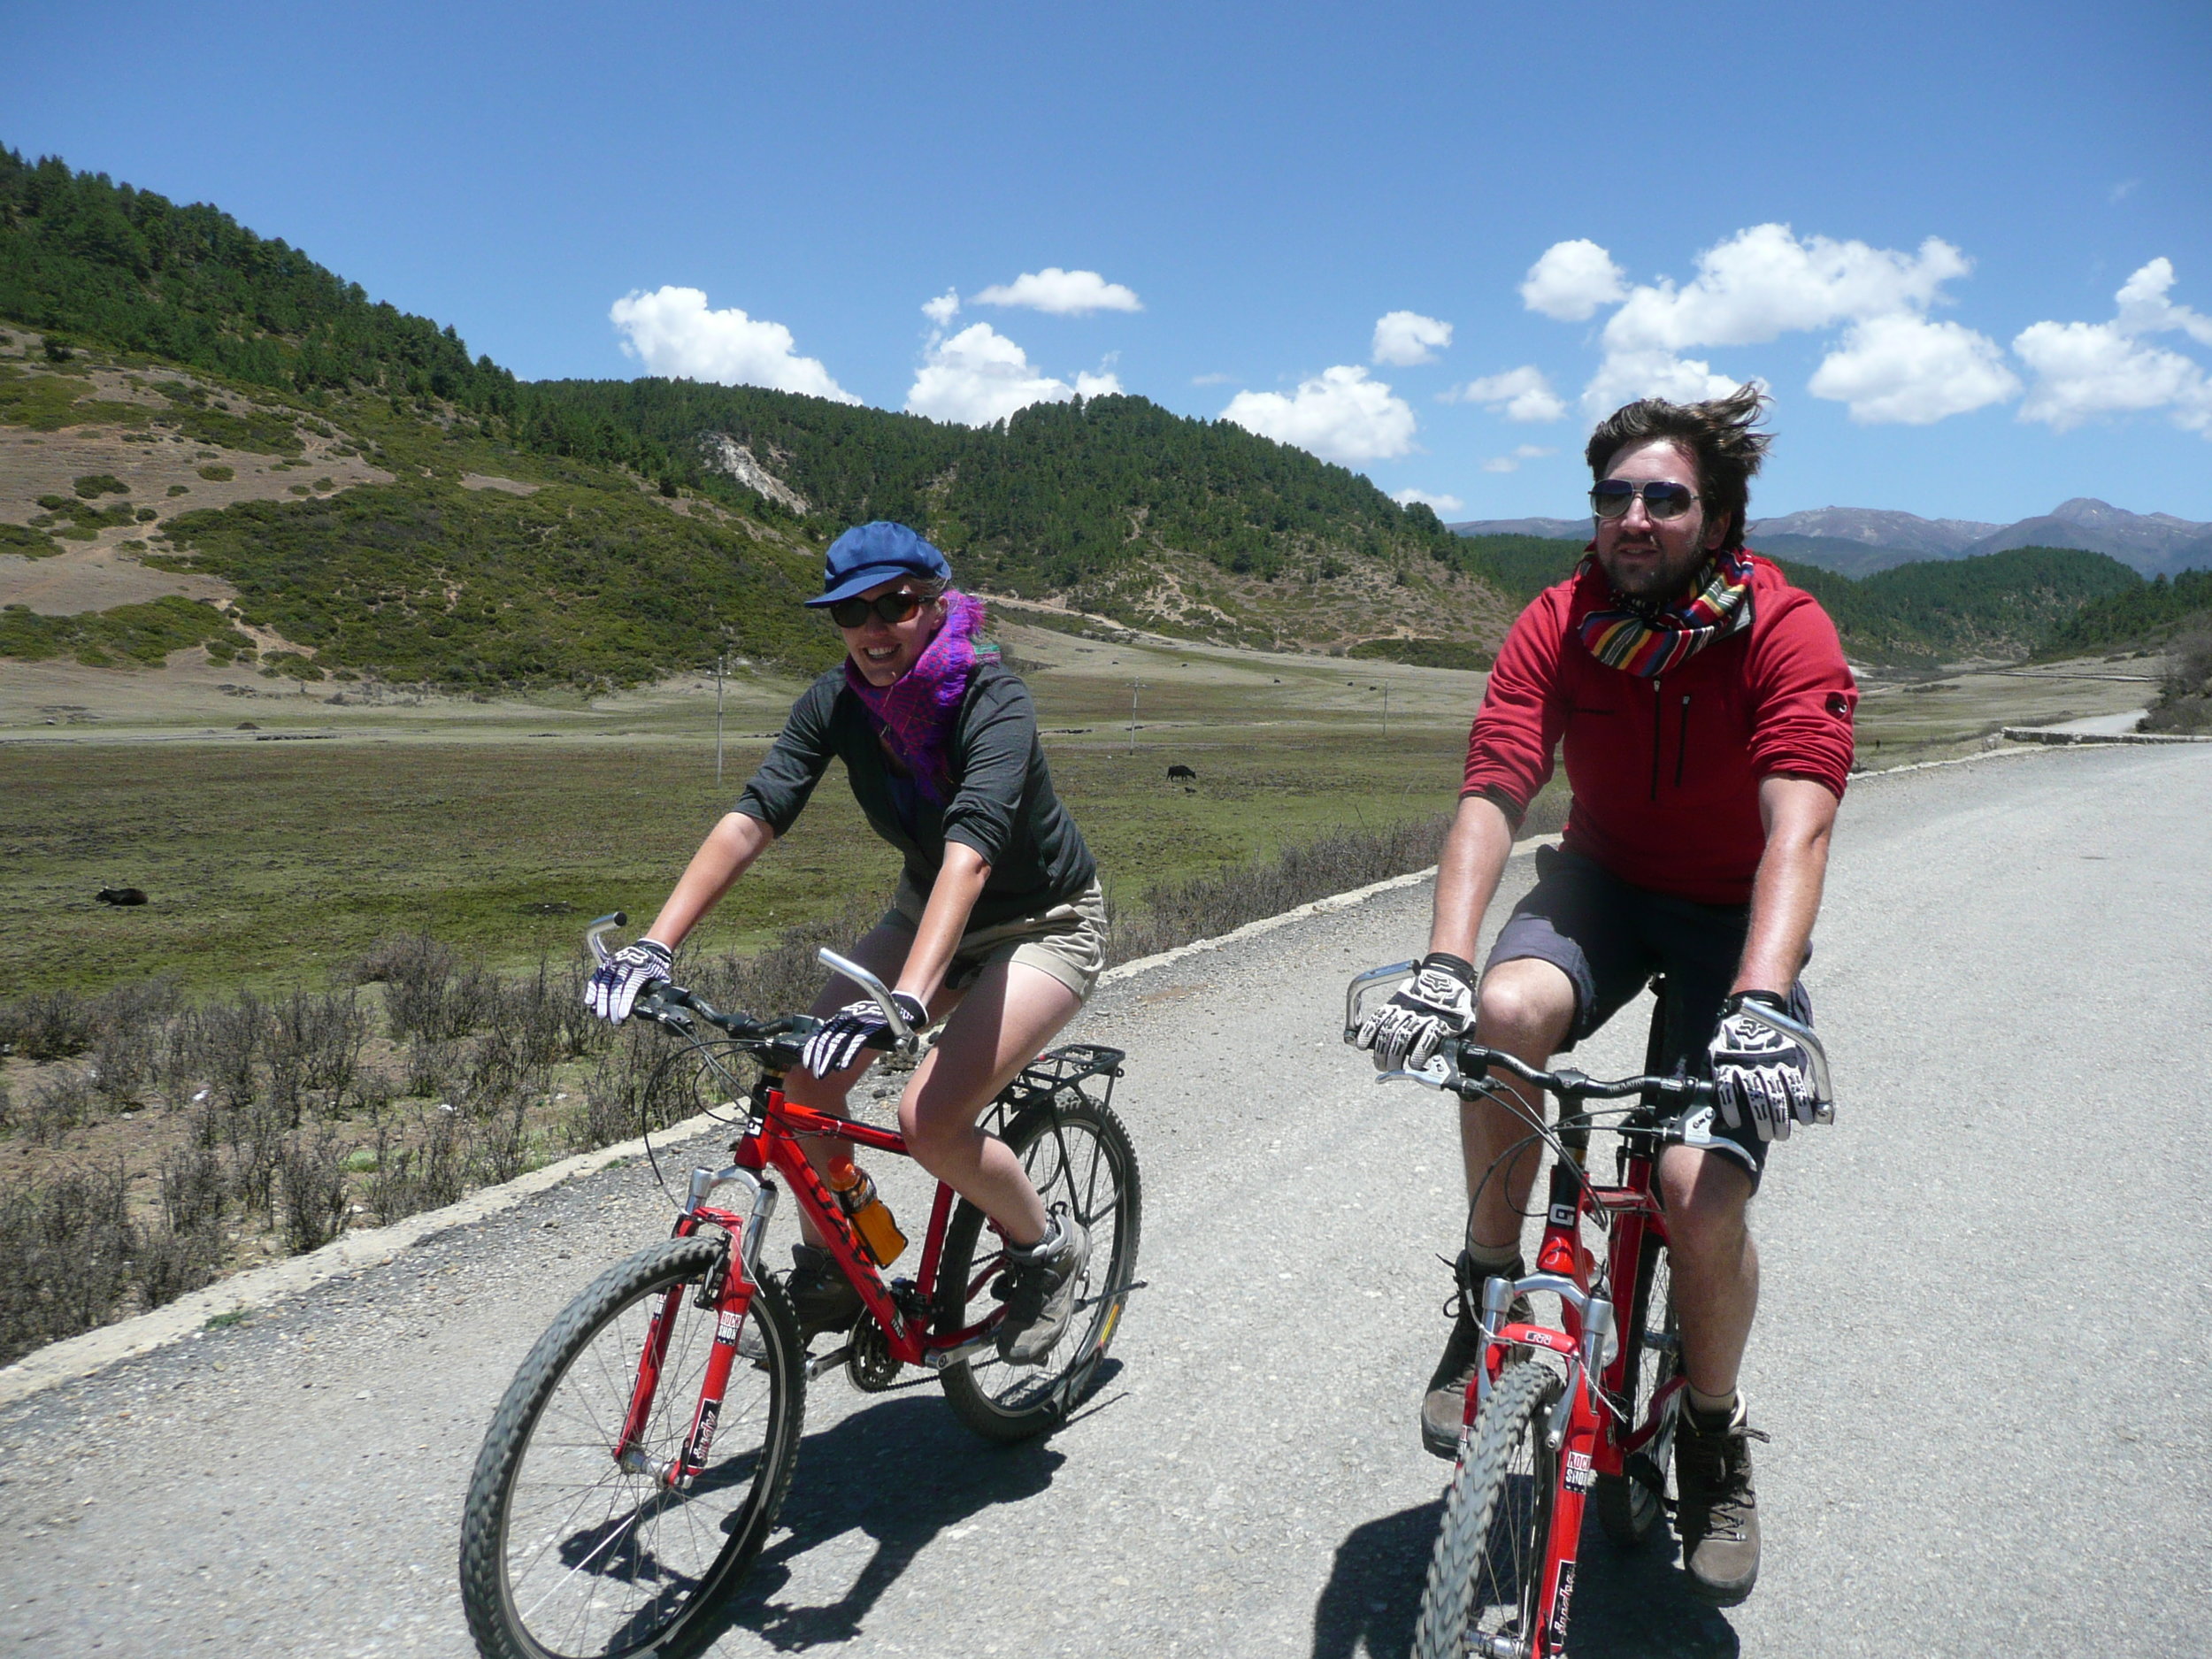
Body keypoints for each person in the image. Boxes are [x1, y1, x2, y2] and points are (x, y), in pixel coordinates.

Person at [1355, 385, 1852, 1606]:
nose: (1632, 516)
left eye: (1663, 496)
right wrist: (1443, 957)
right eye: (1614, 494)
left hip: (1736, 908)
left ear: (1719, 513)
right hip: (1610, 879)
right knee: (1504, 1016)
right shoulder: (1561, 616)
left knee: (1695, 1189)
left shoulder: (1787, 627)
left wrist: (1766, 995)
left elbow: (1801, 814)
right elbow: (1496, 780)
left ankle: (1713, 1432)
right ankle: (1484, 1291)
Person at [585, 520, 1109, 1366]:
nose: (872, 629)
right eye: (848, 612)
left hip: (1042, 922)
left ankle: (1045, 1253)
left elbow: (970, 851)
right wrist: (654, 945)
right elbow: (757, 814)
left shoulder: (992, 698)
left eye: (895, 605)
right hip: (923, 912)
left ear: (936, 605)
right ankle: (836, 1262)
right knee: (803, 1081)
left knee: (930, 1117)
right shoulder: (837, 703)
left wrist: (906, 1000)